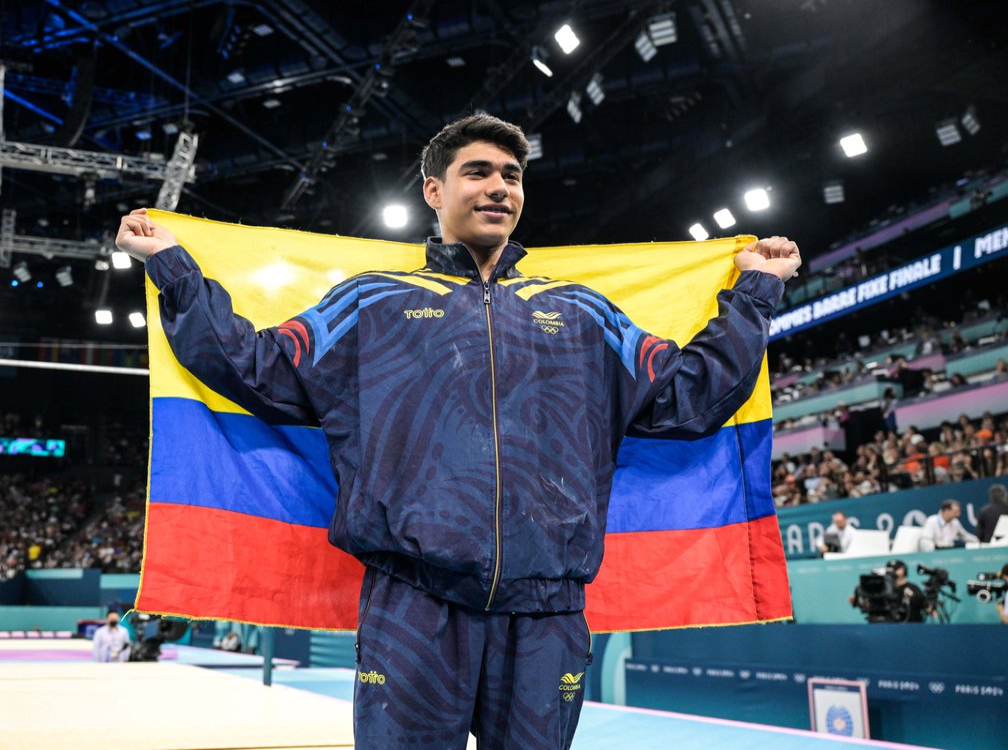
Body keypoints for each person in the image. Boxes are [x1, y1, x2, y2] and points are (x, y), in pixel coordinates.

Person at [117, 113, 800, 749]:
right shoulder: (372, 304)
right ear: (434, 190)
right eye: (479, 171)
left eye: (513, 174)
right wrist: (173, 266)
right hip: (414, 605)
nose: (499, 186)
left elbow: (691, 397)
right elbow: (255, 367)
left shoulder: (587, 315)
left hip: (547, 611)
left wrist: (756, 291)